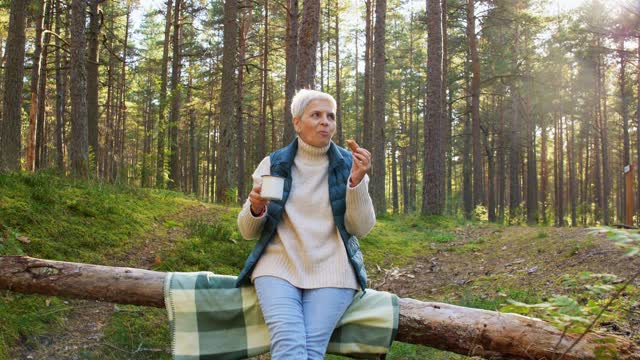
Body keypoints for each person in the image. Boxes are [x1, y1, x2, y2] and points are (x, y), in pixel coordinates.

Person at [236, 89, 376, 359]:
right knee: (289, 344)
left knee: (311, 350)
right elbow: (246, 231)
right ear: (297, 122)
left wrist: (357, 181)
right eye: (316, 115)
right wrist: (256, 207)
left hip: (333, 270)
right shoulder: (275, 163)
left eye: (330, 116)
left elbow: (361, 228)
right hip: (277, 268)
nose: (325, 121)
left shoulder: (349, 164)